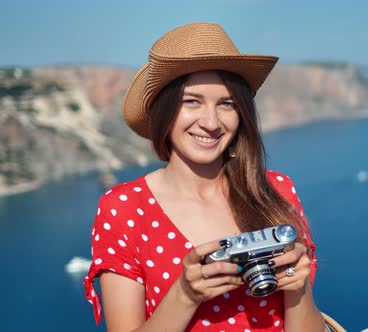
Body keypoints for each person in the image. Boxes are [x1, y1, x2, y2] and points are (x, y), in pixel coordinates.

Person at [84, 22, 326, 331]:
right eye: (192, 101)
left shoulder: (276, 189)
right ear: (163, 111)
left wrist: (297, 285)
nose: (211, 122)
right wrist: (185, 294)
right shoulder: (124, 208)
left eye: (227, 104)